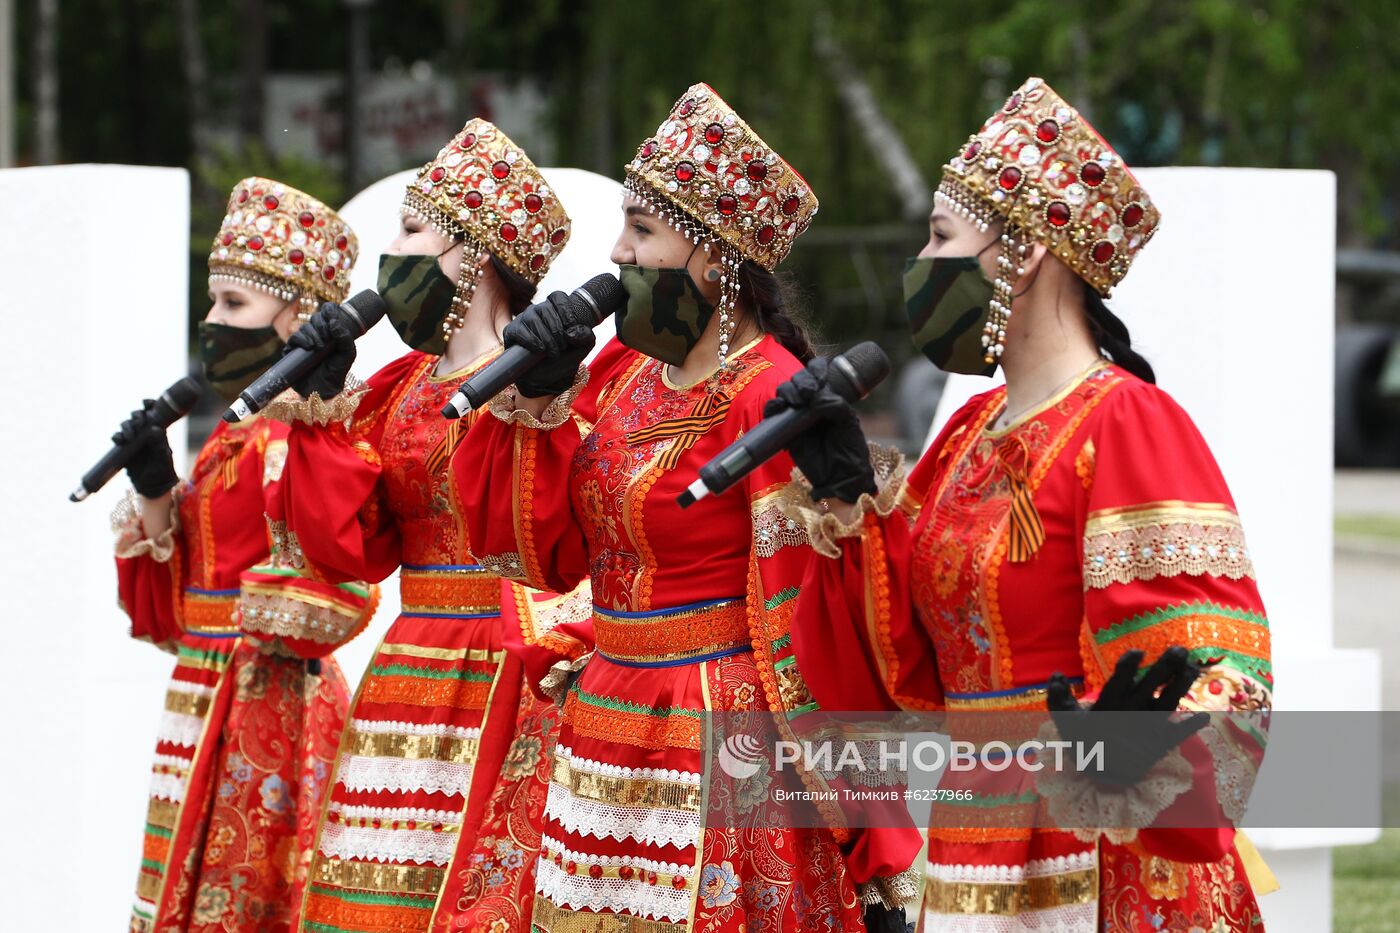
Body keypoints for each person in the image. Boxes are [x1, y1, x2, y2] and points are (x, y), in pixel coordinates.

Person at [768, 76, 1274, 930]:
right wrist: (851, 502)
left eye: (941, 236)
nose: (922, 264)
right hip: (977, 837)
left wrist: (1141, 748)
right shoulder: (968, 430)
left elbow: (1224, 671)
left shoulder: (1128, 423)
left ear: (1025, 252)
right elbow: (895, 673)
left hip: (1103, 862)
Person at [453, 83, 923, 933]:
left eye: (642, 230)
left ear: (715, 259)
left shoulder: (772, 391)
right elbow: (543, 557)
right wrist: (543, 403)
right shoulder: (626, 377)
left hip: (713, 731)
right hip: (601, 718)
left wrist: (867, 837)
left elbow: (805, 625)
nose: (618, 249)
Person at [262, 120, 585, 933]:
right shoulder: (397, 385)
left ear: (472, 255)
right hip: (407, 663)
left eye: (412, 230)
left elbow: (547, 537)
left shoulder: (538, 391)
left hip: (504, 665)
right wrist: (322, 419)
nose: (393, 250)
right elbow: (351, 549)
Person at [112, 178, 376, 933]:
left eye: (233, 304)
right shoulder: (231, 435)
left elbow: (341, 578)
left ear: (294, 314)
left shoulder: (315, 434)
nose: (211, 321)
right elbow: (172, 610)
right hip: (200, 692)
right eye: (213, 301)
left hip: (272, 697)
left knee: (253, 894)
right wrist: (158, 489)